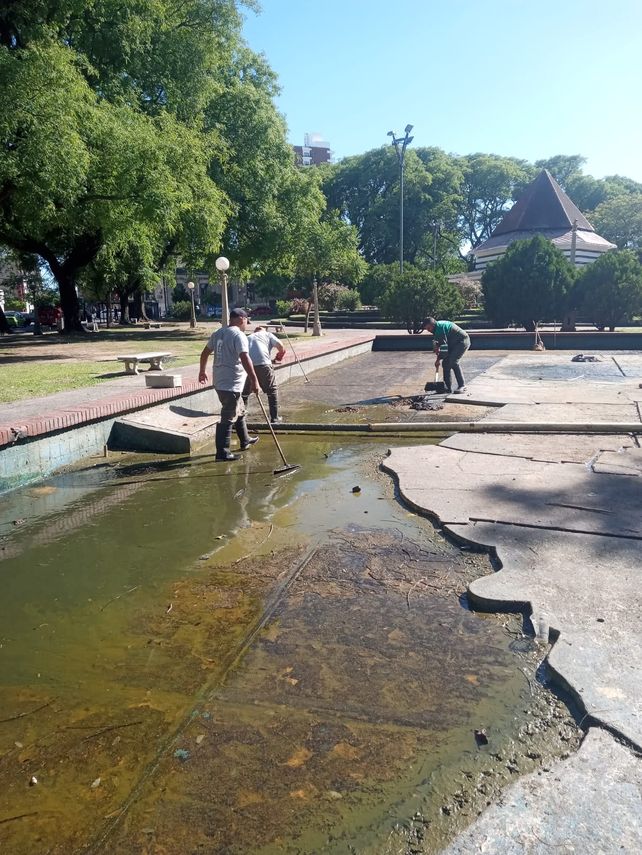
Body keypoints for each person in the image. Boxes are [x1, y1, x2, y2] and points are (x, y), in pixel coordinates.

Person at [198, 308, 260, 462]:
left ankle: (245, 439)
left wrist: (202, 371)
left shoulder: (218, 333)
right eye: (246, 320)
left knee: (240, 410)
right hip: (231, 383)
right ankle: (223, 452)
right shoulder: (238, 335)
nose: (246, 324)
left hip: (220, 381)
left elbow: (204, 353)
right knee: (228, 416)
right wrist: (254, 380)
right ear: (241, 319)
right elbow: (245, 357)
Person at [241, 325, 286, 423]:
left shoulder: (248, 337)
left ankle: (242, 417)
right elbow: (281, 346)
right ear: (263, 330)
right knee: (272, 391)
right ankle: (274, 418)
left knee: (245, 393)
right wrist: (278, 357)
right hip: (264, 363)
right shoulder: (267, 334)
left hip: (248, 365)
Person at [423, 316, 470, 393]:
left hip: (462, 342)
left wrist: (438, 360)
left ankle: (462, 386)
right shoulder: (437, 327)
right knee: (445, 363)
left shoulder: (439, 329)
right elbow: (440, 343)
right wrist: (437, 347)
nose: (428, 330)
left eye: (428, 328)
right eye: (426, 329)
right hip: (453, 343)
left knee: (453, 362)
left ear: (432, 325)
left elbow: (444, 349)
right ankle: (447, 388)